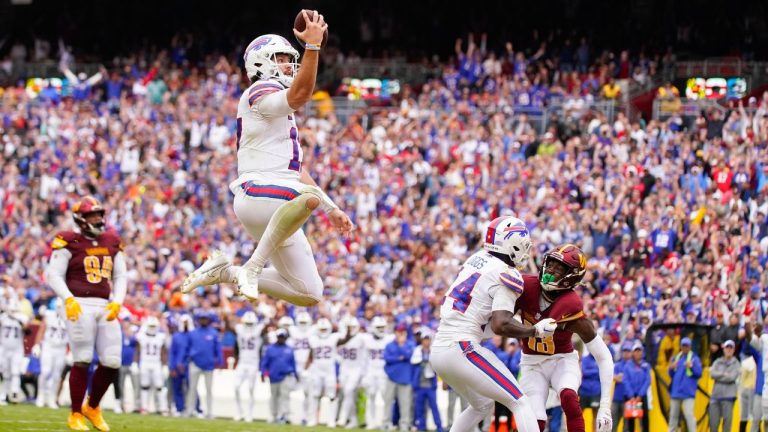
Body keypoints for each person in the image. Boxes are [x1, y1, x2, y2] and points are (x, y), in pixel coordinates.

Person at [181, 9, 354, 307]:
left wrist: (332, 209)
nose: (288, 65)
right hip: (258, 193)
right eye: (282, 59)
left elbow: (296, 171)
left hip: (278, 198)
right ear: (261, 62)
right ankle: (253, 265)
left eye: (290, 59)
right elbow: (299, 96)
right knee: (308, 198)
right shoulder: (260, 89)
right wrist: (311, 47)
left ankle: (226, 271)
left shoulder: (276, 107)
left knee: (309, 292)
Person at [431, 216, 547, 432]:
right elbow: (500, 325)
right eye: (523, 246)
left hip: (439, 349)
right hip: (462, 347)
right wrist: (534, 330)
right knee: (520, 401)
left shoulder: (478, 258)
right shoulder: (506, 273)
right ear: (511, 244)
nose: (525, 251)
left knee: (482, 405)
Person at [44, 196, 126, 431]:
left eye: (99, 214)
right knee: (82, 359)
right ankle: (75, 413)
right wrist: (67, 299)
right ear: (81, 219)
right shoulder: (69, 240)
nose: (98, 219)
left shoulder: (111, 240)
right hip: (78, 303)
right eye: (92, 215)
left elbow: (120, 276)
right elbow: (54, 275)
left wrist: (117, 301)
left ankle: (93, 406)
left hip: (104, 304)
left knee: (112, 361)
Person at [516, 244, 614, 432]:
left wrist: (604, 407)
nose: (551, 270)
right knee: (534, 421)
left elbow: (604, 356)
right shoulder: (527, 287)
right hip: (531, 363)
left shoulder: (572, 306)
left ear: (572, 275)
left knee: (569, 397)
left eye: (559, 267)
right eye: (551, 264)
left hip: (561, 360)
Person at [183, 313, 221, 419]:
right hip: (195, 363)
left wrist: (219, 361)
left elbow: (217, 349)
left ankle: (209, 412)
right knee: (192, 388)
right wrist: (186, 360)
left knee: (209, 389)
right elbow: (187, 348)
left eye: (205, 319)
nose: (203, 321)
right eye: (202, 319)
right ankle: (189, 410)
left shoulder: (213, 333)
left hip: (209, 365)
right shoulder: (193, 333)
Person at [305, 318, 341, 427]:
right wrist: (305, 369)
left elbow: (345, 339)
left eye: (325, 329)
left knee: (332, 396)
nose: (323, 331)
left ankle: (331, 420)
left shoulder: (334, 338)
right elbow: (310, 355)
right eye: (321, 329)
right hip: (316, 370)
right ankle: (313, 419)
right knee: (315, 395)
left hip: (329, 371)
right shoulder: (313, 339)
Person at [34, 300, 68, 409]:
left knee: (57, 375)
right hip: (48, 346)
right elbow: (41, 331)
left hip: (61, 348)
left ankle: (51, 398)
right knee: (45, 371)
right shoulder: (49, 315)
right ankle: (40, 395)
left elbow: (72, 335)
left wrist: (71, 351)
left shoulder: (69, 318)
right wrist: (37, 345)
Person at [261, 328, 297, 424]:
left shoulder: (289, 349)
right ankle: (273, 415)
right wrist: (263, 373)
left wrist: (295, 374)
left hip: (286, 375)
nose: (281, 339)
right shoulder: (270, 349)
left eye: (283, 337)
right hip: (273, 376)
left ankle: (285, 416)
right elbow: (265, 362)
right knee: (274, 396)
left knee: (285, 396)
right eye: (280, 337)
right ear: (277, 337)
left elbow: (293, 363)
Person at [383, 323, 415, 432]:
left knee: (405, 403)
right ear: (395, 332)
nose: (400, 334)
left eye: (402, 332)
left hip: (405, 378)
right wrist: (400, 358)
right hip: (391, 377)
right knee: (388, 401)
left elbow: (408, 356)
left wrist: (401, 346)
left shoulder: (410, 344)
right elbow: (387, 358)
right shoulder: (389, 345)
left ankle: (404, 425)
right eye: (398, 331)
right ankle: (386, 424)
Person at [234, 311, 265, 422]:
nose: (249, 325)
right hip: (242, 362)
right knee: (236, 387)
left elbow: (266, 325)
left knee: (251, 389)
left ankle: (249, 414)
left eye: (251, 323)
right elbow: (231, 324)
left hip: (253, 362)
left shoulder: (259, 330)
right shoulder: (239, 329)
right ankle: (239, 412)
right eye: (247, 323)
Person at [336, 316, 367, 428]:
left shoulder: (361, 338)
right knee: (347, 394)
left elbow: (366, 356)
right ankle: (353, 419)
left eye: (353, 326)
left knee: (349, 391)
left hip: (356, 368)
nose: (351, 329)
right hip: (344, 368)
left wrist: (364, 373)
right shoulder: (340, 337)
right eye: (349, 327)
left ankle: (342, 418)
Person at [411, 330, 444, 432]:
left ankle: (439, 427)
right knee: (419, 408)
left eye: (428, 339)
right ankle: (421, 426)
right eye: (425, 339)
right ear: (422, 340)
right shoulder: (417, 350)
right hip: (419, 384)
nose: (426, 341)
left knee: (434, 406)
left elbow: (437, 366)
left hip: (430, 385)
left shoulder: (433, 351)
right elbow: (413, 361)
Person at [364, 315, 393, 430]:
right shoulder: (366, 339)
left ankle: (386, 422)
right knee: (370, 396)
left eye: (383, 327)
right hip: (371, 371)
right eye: (379, 327)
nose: (381, 329)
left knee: (386, 398)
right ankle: (370, 421)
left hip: (384, 371)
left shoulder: (389, 338)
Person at [135, 316, 169, 415]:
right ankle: (144, 407)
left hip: (156, 363)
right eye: (150, 326)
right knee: (144, 386)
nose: (152, 328)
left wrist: (165, 365)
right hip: (145, 362)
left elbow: (163, 352)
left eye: (154, 326)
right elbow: (137, 350)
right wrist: (135, 363)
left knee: (160, 386)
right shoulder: (141, 336)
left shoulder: (160, 337)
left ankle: (163, 408)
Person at [668, 337, 702, 432]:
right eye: (683, 346)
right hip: (676, 392)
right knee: (673, 417)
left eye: (687, 346)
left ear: (690, 347)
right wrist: (671, 368)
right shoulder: (676, 358)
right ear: (681, 346)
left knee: (689, 415)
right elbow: (671, 375)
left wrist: (692, 367)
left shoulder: (695, 359)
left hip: (688, 393)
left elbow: (699, 373)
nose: (685, 348)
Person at [0, 301, 29, 404]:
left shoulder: (22, 318)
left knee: (15, 371)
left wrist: (19, 322)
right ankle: (3, 395)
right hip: (4, 348)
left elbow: (28, 331)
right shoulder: (3, 317)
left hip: (17, 349)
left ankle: (14, 393)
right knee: (5, 373)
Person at [287, 311, 313, 425]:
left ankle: (305, 416)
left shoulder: (313, 331)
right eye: (301, 322)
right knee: (287, 390)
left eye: (304, 322)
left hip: (308, 366)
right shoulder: (292, 330)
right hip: (294, 365)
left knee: (307, 392)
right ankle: (287, 415)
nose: (302, 324)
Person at [709, 340, 740, 432]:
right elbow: (712, 374)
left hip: (729, 397)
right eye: (727, 347)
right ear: (724, 349)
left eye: (731, 348)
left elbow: (732, 377)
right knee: (713, 424)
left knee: (727, 424)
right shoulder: (718, 361)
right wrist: (724, 374)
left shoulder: (736, 363)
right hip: (716, 396)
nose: (729, 349)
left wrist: (719, 376)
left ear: (734, 350)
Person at [622, 342, 651, 432]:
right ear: (633, 353)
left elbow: (648, 380)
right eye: (636, 351)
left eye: (639, 351)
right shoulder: (627, 366)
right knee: (631, 419)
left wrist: (640, 395)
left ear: (642, 352)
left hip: (641, 396)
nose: (638, 353)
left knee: (645, 418)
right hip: (630, 397)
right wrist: (631, 396)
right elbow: (625, 381)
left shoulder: (646, 365)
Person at [169, 314, 194, 417]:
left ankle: (195, 408)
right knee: (177, 388)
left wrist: (185, 363)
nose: (185, 325)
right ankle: (179, 408)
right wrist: (172, 366)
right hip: (177, 366)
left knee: (192, 388)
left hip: (189, 365)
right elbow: (172, 352)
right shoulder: (176, 336)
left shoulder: (193, 335)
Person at [116, 321, 140, 413]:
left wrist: (135, 362)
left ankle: (137, 405)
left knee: (136, 386)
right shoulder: (120, 334)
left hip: (132, 363)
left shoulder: (135, 333)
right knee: (120, 386)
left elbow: (138, 346)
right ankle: (121, 405)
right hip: (122, 363)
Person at [611, 343, 633, 432]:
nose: (626, 353)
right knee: (613, 422)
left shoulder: (632, 365)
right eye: (624, 351)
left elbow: (630, 379)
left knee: (627, 424)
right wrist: (622, 377)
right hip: (616, 397)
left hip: (628, 398)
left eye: (628, 351)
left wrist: (621, 377)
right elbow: (613, 377)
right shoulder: (618, 365)